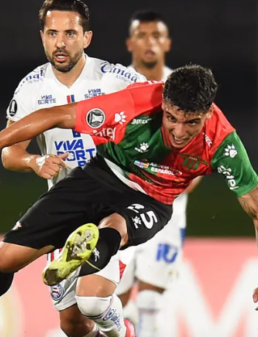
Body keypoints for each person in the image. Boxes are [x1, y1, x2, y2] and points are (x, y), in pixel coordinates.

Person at [0, 65, 258, 337]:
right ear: (164, 103)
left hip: (151, 200)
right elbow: (54, 115)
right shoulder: (136, 104)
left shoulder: (223, 143)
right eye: (172, 118)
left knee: (98, 272)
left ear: (207, 114)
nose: (178, 132)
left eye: (190, 123)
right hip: (101, 175)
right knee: (3, 261)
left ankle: (100, 269)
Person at [0, 0, 143, 336]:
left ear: (87, 37)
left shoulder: (118, 80)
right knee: (73, 324)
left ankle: (122, 331)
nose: (60, 42)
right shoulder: (31, 88)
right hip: (65, 210)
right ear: (42, 37)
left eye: (69, 33)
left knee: (92, 301)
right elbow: (9, 153)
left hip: (114, 208)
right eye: (52, 33)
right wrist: (35, 162)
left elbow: (158, 119)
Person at [115, 10, 199, 336]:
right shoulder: (114, 84)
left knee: (151, 297)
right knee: (115, 300)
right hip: (120, 204)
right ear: (130, 43)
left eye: (156, 36)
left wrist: (185, 183)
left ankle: (144, 323)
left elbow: (203, 144)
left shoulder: (187, 87)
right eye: (142, 35)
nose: (149, 42)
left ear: (167, 43)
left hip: (167, 208)